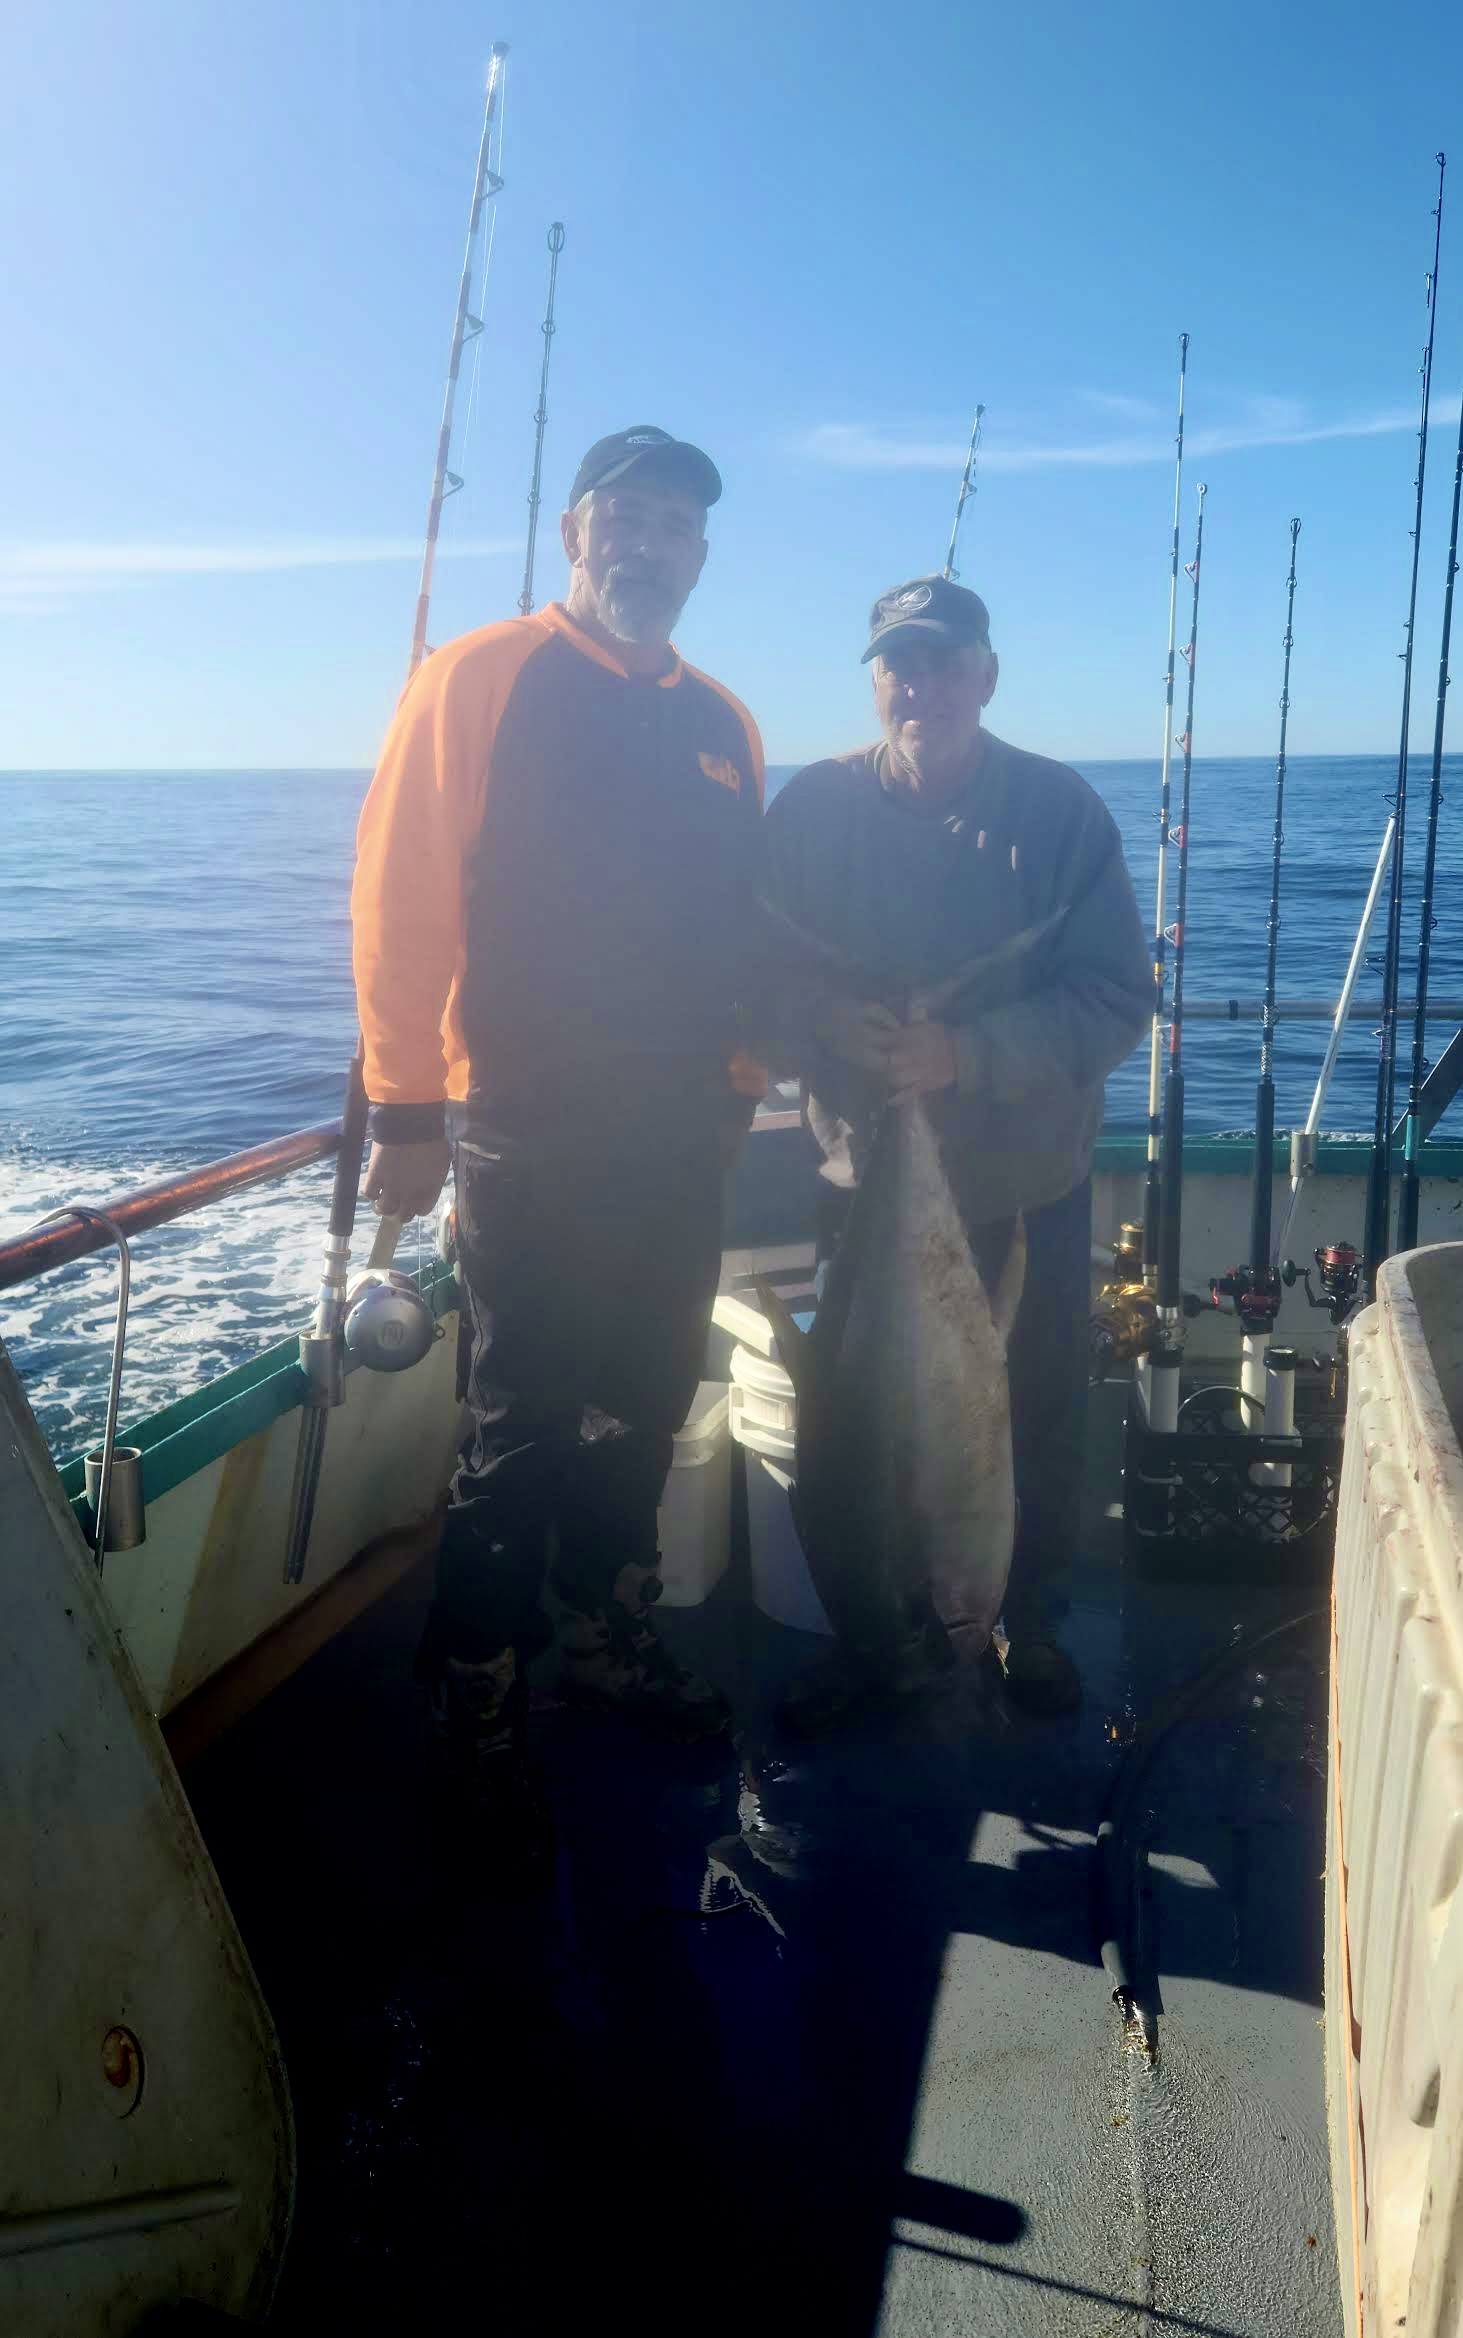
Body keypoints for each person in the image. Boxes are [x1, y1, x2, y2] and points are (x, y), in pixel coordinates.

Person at [351, 425, 766, 1864]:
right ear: (577, 530)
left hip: (680, 1124)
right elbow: (401, 891)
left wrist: (743, 1070)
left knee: (644, 1394)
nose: (648, 544)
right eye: (627, 516)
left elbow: (743, 920)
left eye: (676, 525)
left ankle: (606, 1627)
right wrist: (405, 1104)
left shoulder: (726, 721)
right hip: (521, 1117)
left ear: (701, 555)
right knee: (521, 1415)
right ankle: (477, 1691)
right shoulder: (478, 677)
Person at [760, 576, 1154, 1730]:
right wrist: (826, 1027)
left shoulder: (1060, 811)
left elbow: (1117, 994)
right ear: (873, 677)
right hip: (858, 1180)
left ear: (985, 672)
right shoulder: (813, 810)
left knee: (1026, 1418)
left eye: (941, 659)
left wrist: (963, 1053)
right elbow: (749, 971)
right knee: (849, 1427)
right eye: (895, 661)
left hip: (1020, 1189)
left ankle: (1024, 1623)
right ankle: (865, 1627)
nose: (917, 682)